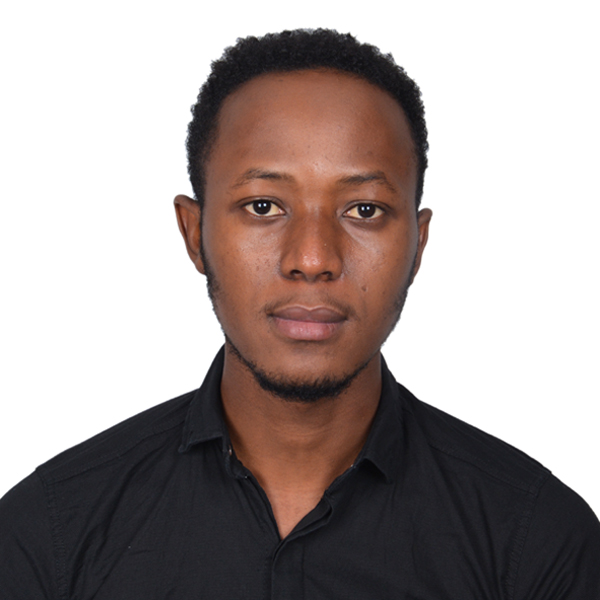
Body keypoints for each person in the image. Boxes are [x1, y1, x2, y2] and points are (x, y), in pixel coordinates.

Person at [1, 28, 599, 599]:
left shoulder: (539, 544)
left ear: (418, 245)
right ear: (193, 233)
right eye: (263, 206)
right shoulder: (47, 538)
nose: (312, 259)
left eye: (364, 210)